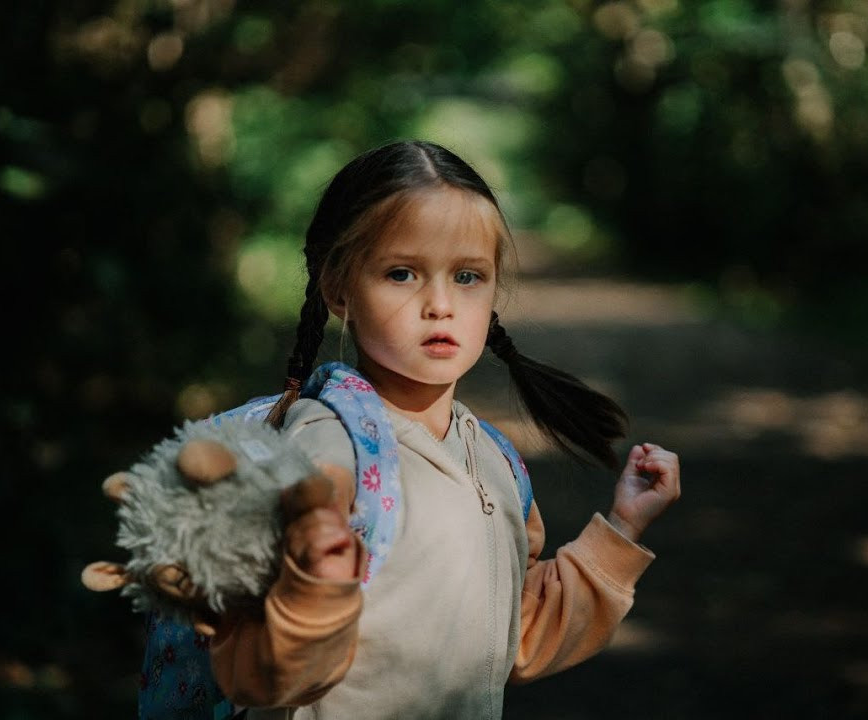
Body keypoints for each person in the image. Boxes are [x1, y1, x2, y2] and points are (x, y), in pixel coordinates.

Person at [205, 139, 681, 719]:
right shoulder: (326, 449)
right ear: (338, 289)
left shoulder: (493, 459)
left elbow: (515, 638)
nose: (440, 304)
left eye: (468, 277)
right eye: (401, 274)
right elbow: (260, 667)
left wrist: (623, 527)